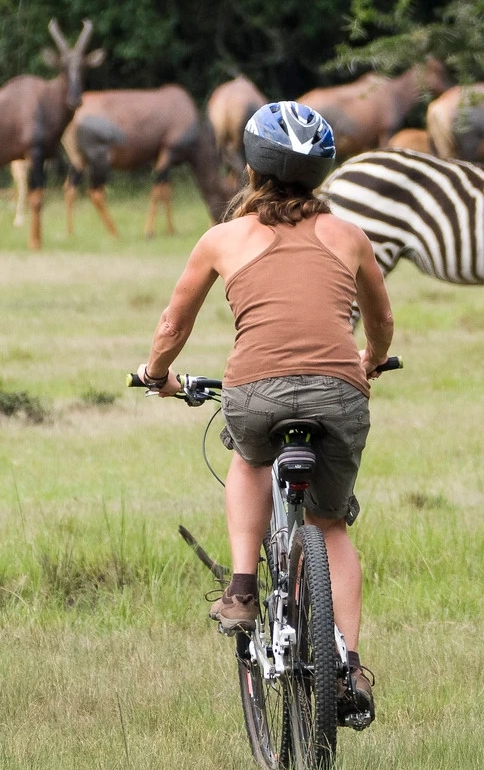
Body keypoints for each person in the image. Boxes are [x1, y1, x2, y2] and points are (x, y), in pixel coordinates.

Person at [138, 101, 394, 725]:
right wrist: (369, 359)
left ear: (251, 168)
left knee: (249, 459)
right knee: (330, 525)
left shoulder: (222, 238)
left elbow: (173, 324)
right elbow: (382, 321)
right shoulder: (348, 235)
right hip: (339, 394)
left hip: (256, 392)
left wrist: (155, 373)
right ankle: (349, 665)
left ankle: (242, 589)